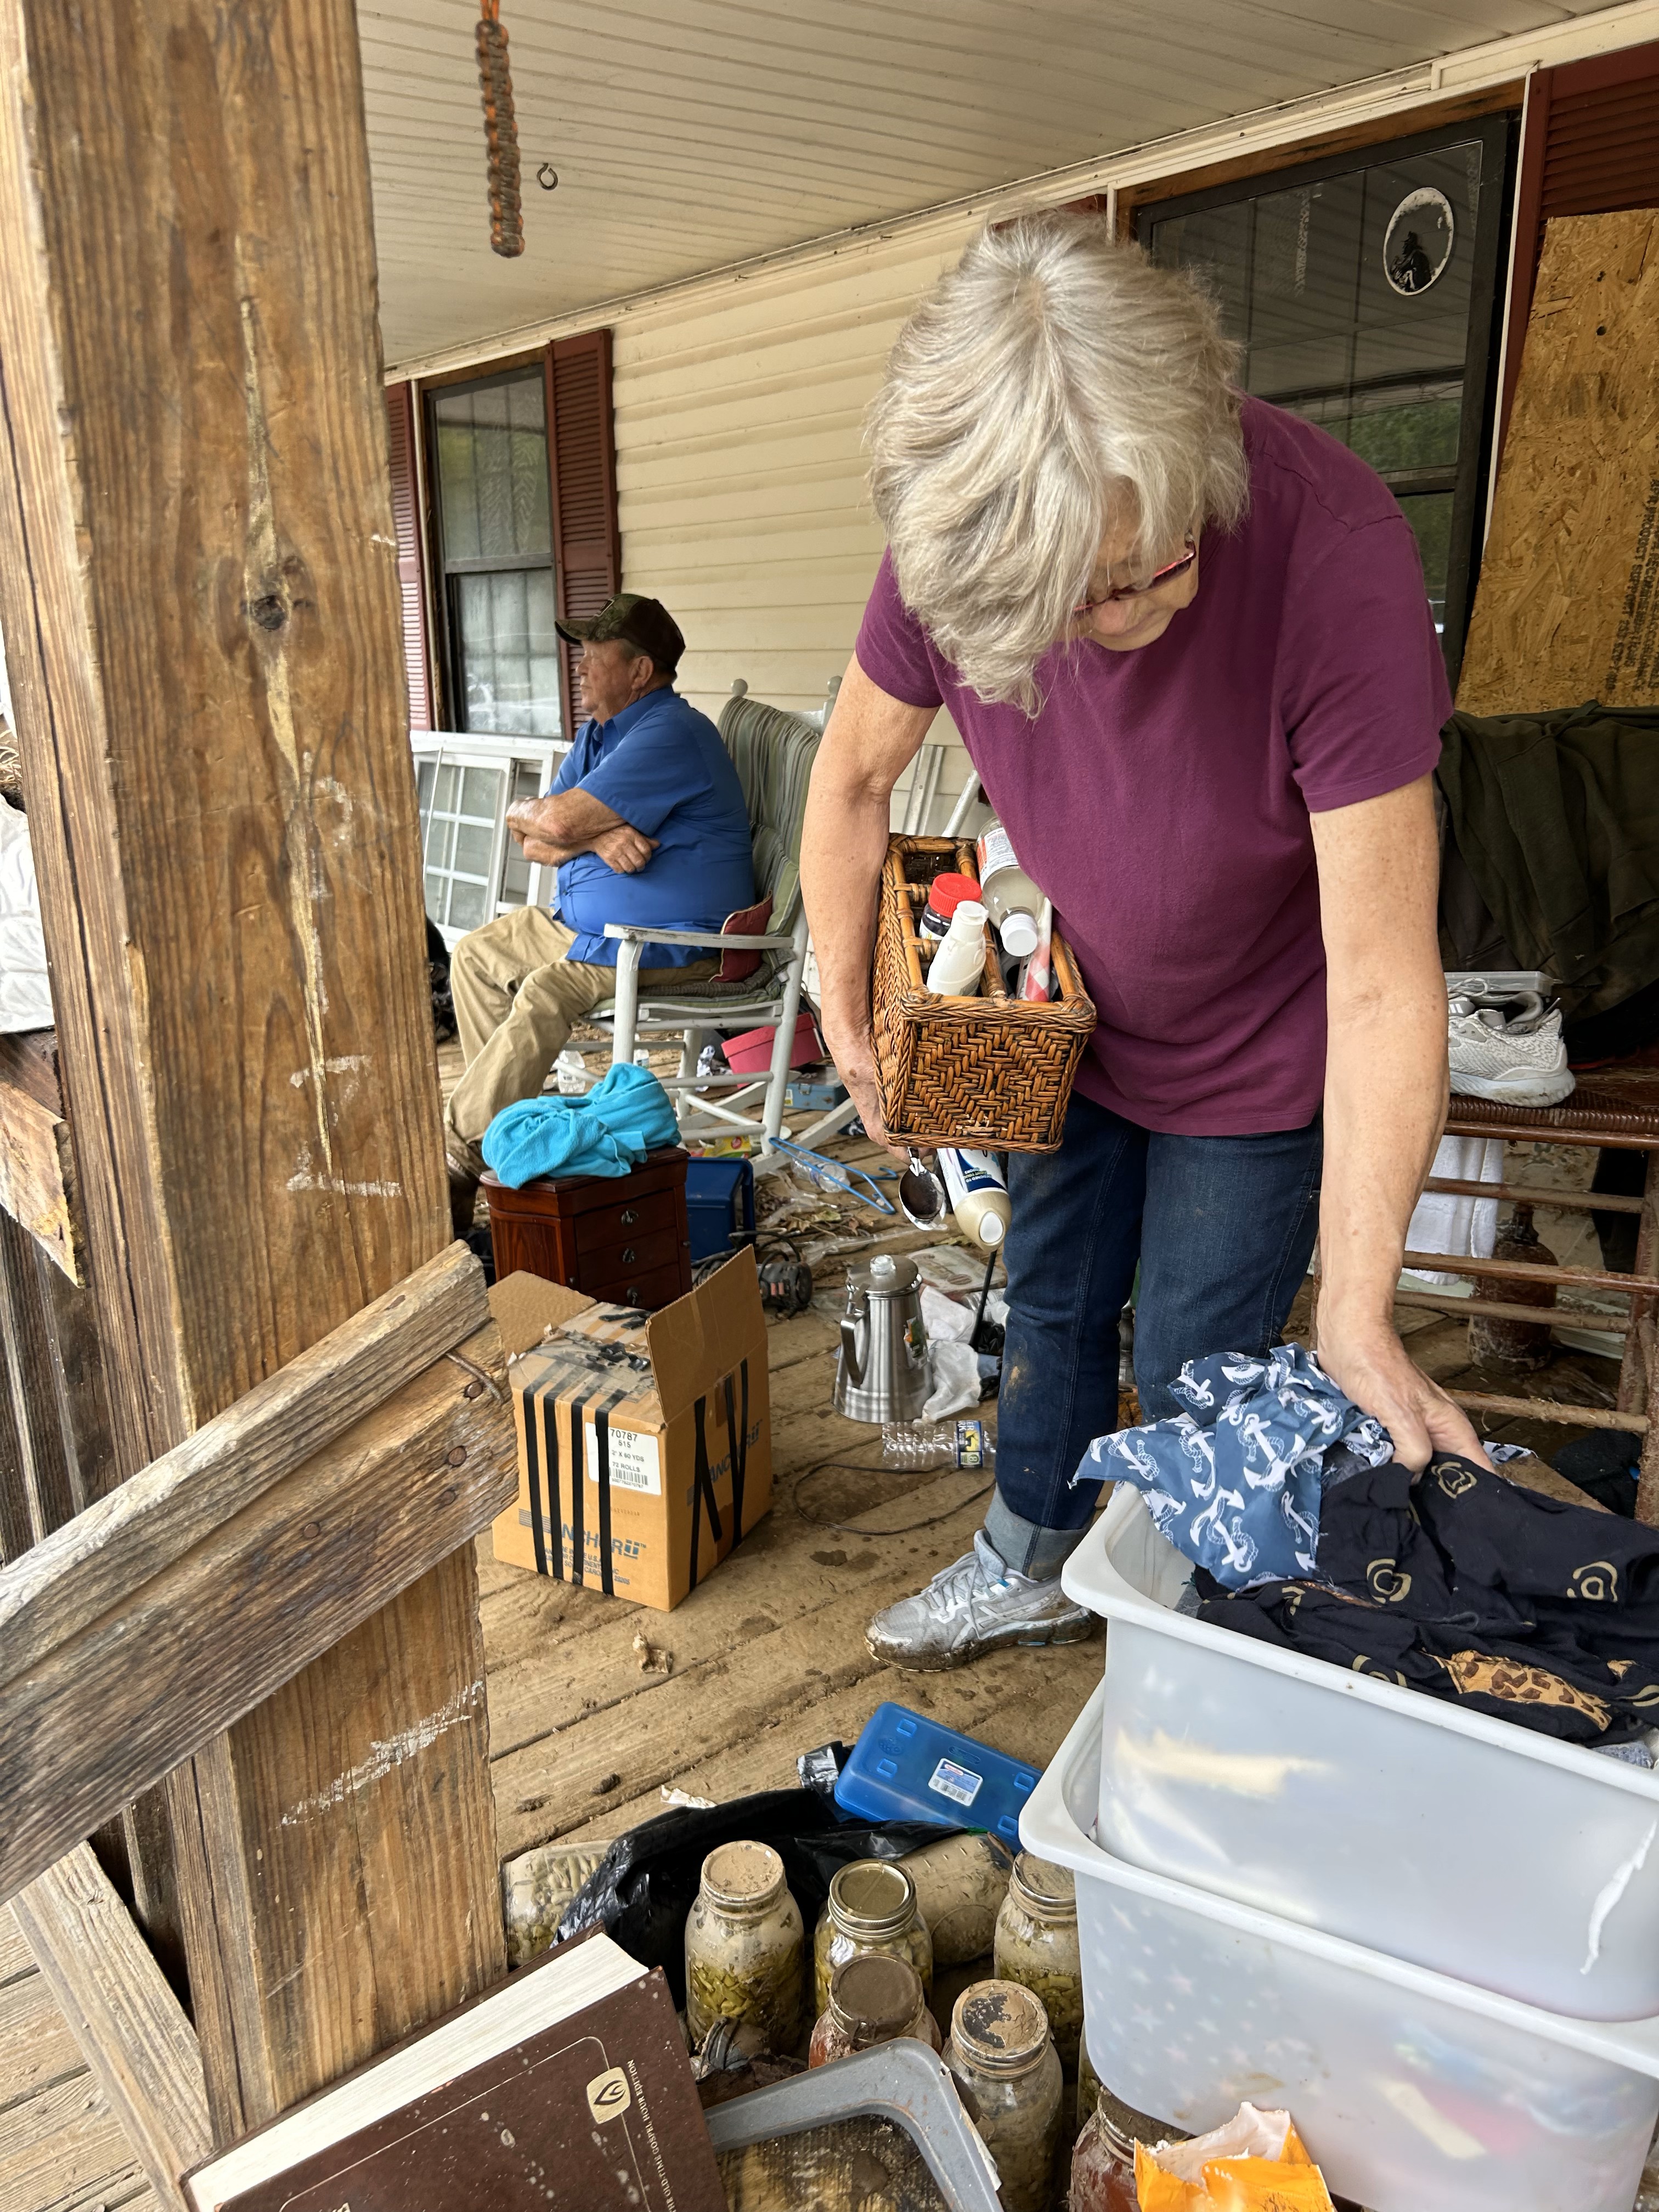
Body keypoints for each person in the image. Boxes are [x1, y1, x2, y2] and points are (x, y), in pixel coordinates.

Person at [800, 213, 1487, 1673]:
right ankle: (1028, 1559)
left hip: (1260, 1051)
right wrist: (846, 1012)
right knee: (1049, 1298)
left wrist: (1361, 1309)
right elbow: (852, 781)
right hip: (1072, 1020)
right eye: (1094, 597)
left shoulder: (1334, 548)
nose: (1142, 605)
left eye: (1160, 560)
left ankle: (1174, 1646)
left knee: (1193, 1363)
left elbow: (1382, 979)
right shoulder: (958, 541)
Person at [443, 594, 754, 1227]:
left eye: (593, 653)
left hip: (669, 941)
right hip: (587, 927)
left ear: (640, 671)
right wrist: (596, 839)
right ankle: (507, 1134)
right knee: (476, 956)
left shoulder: (670, 732)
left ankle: (458, 1159)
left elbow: (552, 823)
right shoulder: (601, 734)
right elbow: (531, 837)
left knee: (546, 991)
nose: (579, 666)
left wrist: (566, 829)